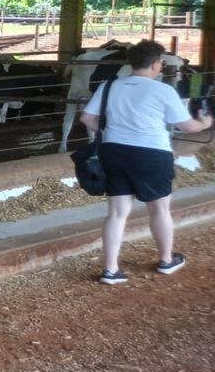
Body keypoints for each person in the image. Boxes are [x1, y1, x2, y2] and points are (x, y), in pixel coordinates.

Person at [79, 39, 213, 285]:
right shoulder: (163, 90)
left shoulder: (109, 86)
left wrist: (109, 132)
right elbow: (187, 126)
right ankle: (165, 260)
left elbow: (87, 118)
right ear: (155, 64)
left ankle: (110, 270)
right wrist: (206, 123)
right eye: (161, 62)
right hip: (152, 154)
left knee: (117, 213)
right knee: (160, 209)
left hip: (114, 152)